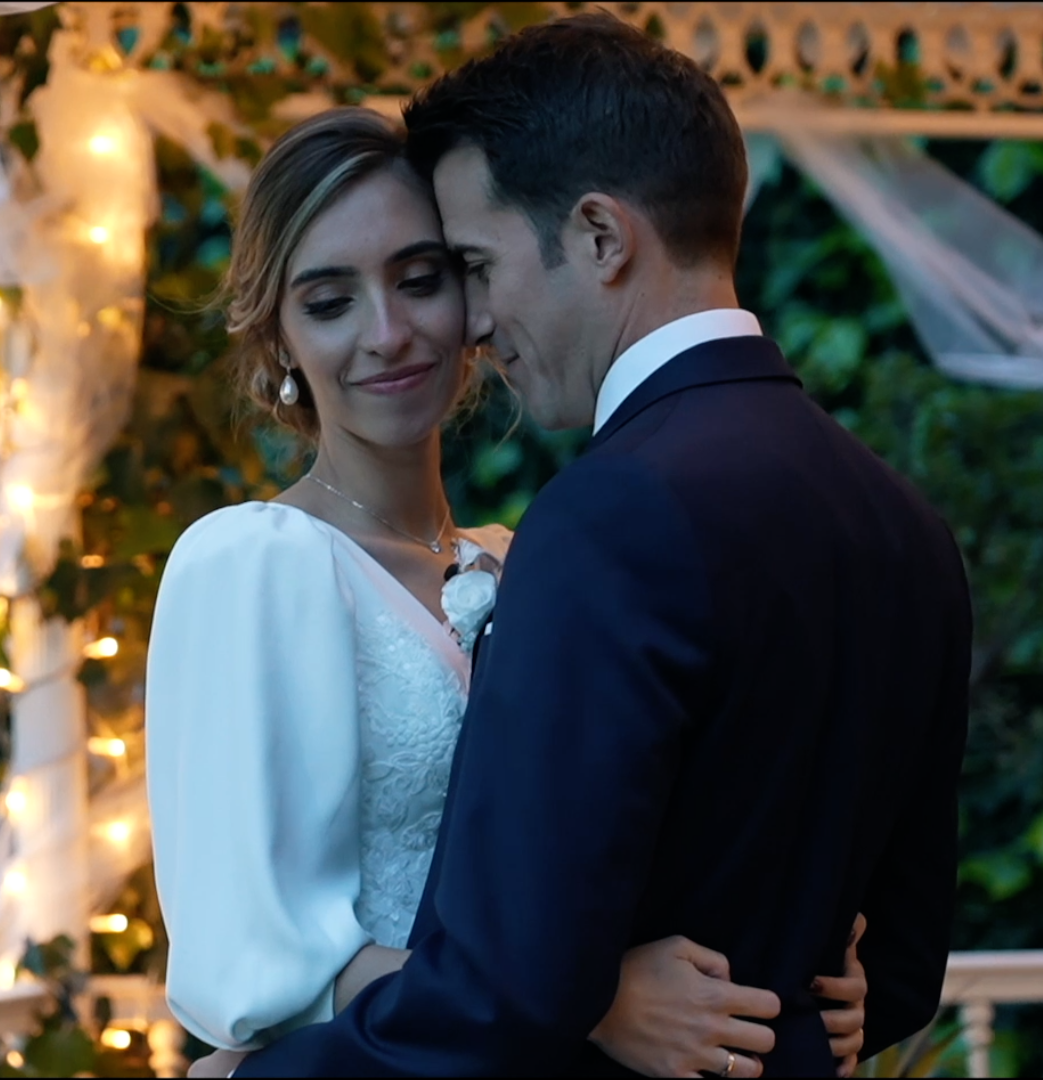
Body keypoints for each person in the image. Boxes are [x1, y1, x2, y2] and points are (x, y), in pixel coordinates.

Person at [212, 13, 972, 1077]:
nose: (471, 323)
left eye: (472, 264)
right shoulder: (908, 525)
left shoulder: (606, 522)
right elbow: (895, 972)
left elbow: (505, 987)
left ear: (603, 239)